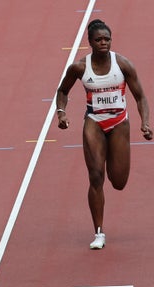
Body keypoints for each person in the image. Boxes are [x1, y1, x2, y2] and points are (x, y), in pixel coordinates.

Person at [56, 19, 152, 250]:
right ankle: (98, 232)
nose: (103, 43)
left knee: (118, 182)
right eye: (98, 40)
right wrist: (61, 113)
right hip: (94, 123)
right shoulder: (80, 67)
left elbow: (140, 97)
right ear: (90, 42)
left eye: (107, 39)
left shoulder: (123, 64)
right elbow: (62, 91)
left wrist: (145, 123)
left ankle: (113, 159)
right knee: (96, 176)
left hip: (119, 123)